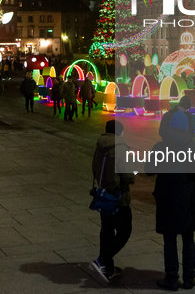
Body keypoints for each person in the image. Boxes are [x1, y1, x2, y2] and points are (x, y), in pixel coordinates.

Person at [146, 111, 195, 291]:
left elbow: (149, 169)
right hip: (187, 200)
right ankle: (189, 277)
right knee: (188, 239)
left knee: (169, 240)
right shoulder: (194, 147)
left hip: (166, 199)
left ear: (170, 127)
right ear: (187, 128)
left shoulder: (160, 147)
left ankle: (171, 278)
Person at [90, 121, 135, 282]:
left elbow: (95, 169)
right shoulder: (120, 149)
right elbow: (128, 177)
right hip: (118, 198)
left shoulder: (101, 146)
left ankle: (107, 268)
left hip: (103, 196)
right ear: (120, 133)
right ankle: (102, 260)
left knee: (107, 230)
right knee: (125, 231)